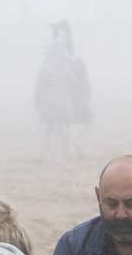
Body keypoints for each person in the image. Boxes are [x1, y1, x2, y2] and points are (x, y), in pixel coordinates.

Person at [35, 20, 93, 161]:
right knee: (63, 129)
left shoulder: (47, 66)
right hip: (62, 103)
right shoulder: (66, 64)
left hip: (51, 104)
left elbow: (38, 88)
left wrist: (38, 103)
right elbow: (74, 81)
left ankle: (43, 155)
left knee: (51, 128)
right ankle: (63, 154)